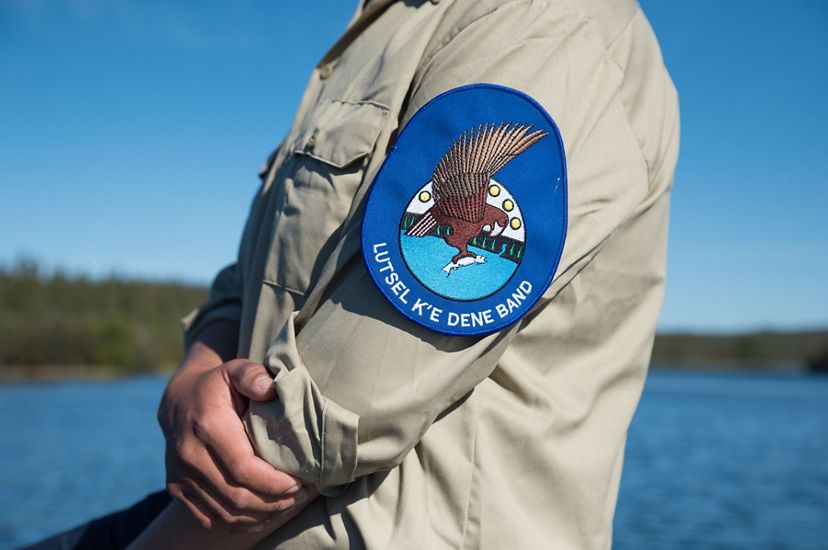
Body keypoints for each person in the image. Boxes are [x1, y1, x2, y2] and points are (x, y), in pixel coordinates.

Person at [26, 0, 679, 548]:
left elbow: (333, 417)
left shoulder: (545, 29)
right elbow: (250, 274)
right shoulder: (386, 26)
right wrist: (197, 373)